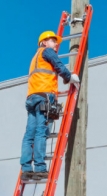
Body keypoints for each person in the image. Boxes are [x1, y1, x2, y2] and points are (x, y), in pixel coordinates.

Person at [20, 31, 80, 180]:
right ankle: (40, 168)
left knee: (29, 135)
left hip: (32, 97)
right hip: (44, 96)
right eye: (53, 41)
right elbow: (58, 64)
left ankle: (26, 169)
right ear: (44, 42)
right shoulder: (47, 51)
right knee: (41, 132)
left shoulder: (35, 57)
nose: (56, 44)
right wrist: (69, 77)